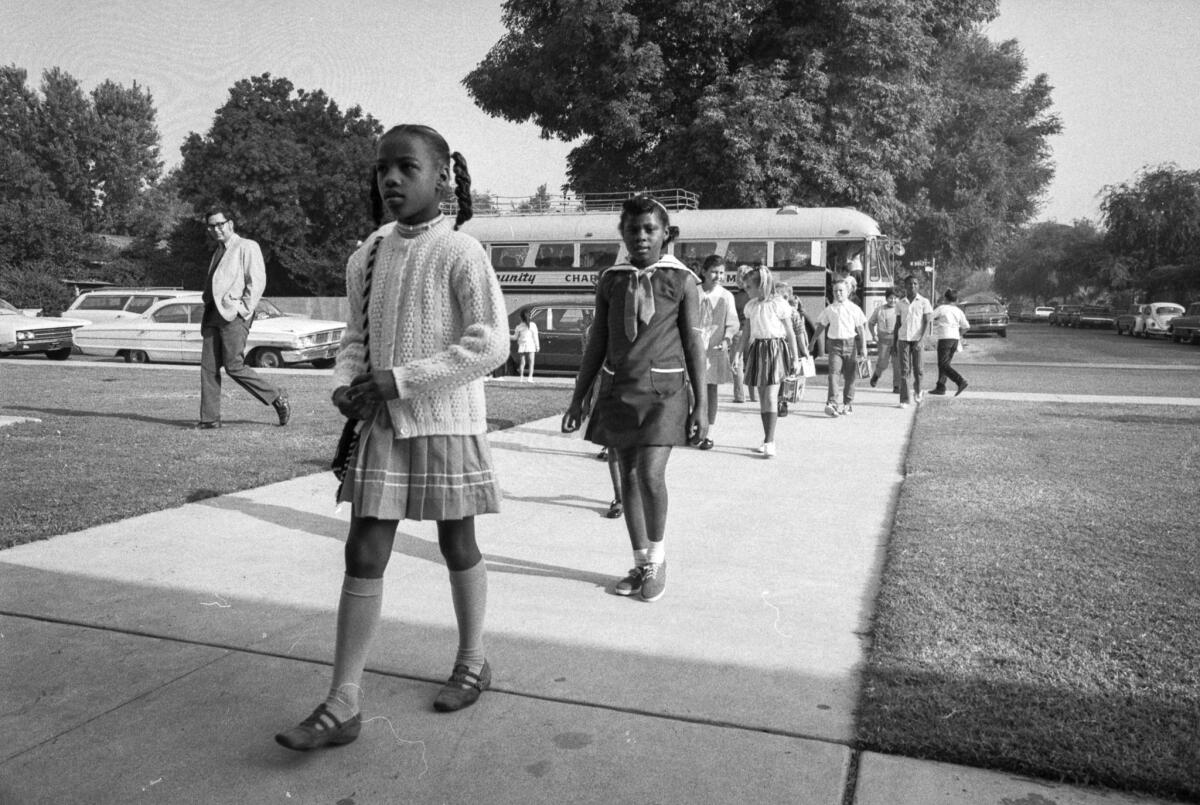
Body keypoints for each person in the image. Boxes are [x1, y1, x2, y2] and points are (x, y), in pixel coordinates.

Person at [276, 124, 509, 752]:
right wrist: (347, 382)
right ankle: (343, 701)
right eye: (383, 169)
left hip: (447, 423)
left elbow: (491, 344)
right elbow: (355, 338)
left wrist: (400, 378)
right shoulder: (368, 255)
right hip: (383, 424)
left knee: (457, 542)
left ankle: (473, 658)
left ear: (443, 178)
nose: (391, 180)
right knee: (364, 549)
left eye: (407, 167)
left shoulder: (462, 252)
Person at [562, 195, 707, 603]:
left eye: (649, 230)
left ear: (665, 235)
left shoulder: (682, 280)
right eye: (632, 229)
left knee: (649, 475)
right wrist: (578, 399)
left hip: (665, 393)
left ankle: (658, 559)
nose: (641, 237)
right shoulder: (612, 279)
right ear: (622, 234)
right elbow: (598, 342)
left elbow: (694, 345)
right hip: (618, 391)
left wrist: (703, 407)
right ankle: (642, 562)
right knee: (625, 478)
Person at [195, 210, 290, 429]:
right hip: (212, 315)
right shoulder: (218, 250)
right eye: (211, 226)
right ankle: (209, 420)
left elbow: (256, 281)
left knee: (234, 366)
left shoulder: (247, 246)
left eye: (220, 224)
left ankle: (276, 396)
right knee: (208, 369)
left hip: (234, 316)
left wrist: (244, 309)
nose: (215, 229)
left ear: (231, 224)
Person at [739, 266, 800, 457]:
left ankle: (770, 441)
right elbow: (746, 333)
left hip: (775, 349)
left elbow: (790, 332)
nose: (746, 290)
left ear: (761, 286)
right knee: (763, 397)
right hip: (758, 349)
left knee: (771, 396)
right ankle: (767, 438)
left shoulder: (778, 304)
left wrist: (795, 357)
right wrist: (737, 354)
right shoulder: (751, 307)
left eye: (749, 287)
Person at [696, 254, 739, 449]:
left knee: (710, 389)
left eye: (721, 272)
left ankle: (708, 433)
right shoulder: (693, 292)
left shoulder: (726, 296)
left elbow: (732, 323)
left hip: (713, 349)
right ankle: (694, 428)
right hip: (693, 349)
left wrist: (726, 339)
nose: (718, 276)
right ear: (704, 272)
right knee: (691, 390)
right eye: (714, 272)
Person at [812, 280, 868, 417]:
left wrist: (863, 348)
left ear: (847, 292)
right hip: (834, 345)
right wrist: (812, 341)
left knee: (850, 377)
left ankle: (848, 404)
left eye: (841, 290)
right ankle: (832, 403)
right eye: (835, 291)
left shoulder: (855, 309)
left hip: (850, 345)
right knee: (833, 374)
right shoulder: (830, 309)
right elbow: (821, 325)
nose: (838, 293)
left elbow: (861, 329)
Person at [894, 274, 934, 409]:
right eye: (910, 284)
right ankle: (904, 399)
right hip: (903, 339)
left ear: (918, 286)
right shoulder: (900, 303)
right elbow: (898, 323)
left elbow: (926, 322)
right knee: (904, 370)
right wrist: (895, 341)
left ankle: (918, 392)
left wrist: (921, 340)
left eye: (915, 284)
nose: (912, 286)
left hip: (917, 339)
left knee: (918, 369)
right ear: (905, 286)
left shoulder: (924, 302)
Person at [775, 284, 812, 416]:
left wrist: (804, 350)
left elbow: (799, 333)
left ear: (786, 297)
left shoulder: (792, 313)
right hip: (777, 347)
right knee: (780, 375)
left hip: (788, 349)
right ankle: (779, 401)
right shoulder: (775, 309)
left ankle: (783, 401)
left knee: (788, 376)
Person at [929, 289, 970, 396]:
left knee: (943, 364)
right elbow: (966, 326)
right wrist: (959, 334)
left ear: (945, 298)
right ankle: (940, 387)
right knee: (945, 364)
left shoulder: (942, 308)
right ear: (956, 300)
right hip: (955, 339)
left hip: (945, 338)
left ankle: (960, 381)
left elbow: (929, 317)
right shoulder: (958, 311)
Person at [868, 287, 901, 393]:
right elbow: (871, 323)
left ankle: (897, 386)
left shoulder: (901, 309)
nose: (893, 300)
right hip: (883, 341)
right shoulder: (880, 309)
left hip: (897, 341)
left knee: (897, 364)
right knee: (883, 362)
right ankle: (876, 375)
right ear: (886, 298)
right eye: (890, 298)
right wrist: (873, 334)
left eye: (895, 298)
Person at [730, 265, 752, 403]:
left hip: (738, 332)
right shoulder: (754, 297)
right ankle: (754, 395)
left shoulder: (734, 297)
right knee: (751, 363)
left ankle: (739, 395)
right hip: (753, 333)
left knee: (736, 364)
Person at [514, 309, 540, 380]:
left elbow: (515, 337)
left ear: (521, 317)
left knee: (522, 362)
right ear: (530, 316)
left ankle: (521, 377)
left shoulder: (519, 326)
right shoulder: (533, 325)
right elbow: (535, 336)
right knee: (531, 362)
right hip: (531, 345)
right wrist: (537, 346)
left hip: (522, 345)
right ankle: (530, 377)